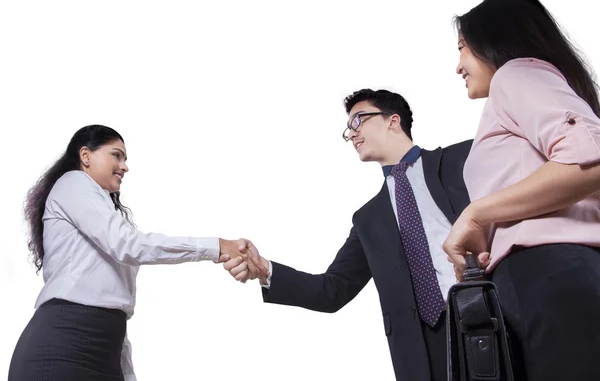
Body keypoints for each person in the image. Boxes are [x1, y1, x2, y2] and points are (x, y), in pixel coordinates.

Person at [222, 89, 472, 381]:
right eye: (348, 129)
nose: (351, 134)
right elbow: (333, 290)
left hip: (487, 314)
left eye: (358, 121)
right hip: (421, 351)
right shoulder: (369, 219)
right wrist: (266, 270)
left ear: (393, 121)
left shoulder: (462, 159)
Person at [7, 124, 268, 381]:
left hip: (103, 353)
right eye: (116, 155)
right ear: (85, 156)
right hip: (62, 348)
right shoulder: (73, 183)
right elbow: (129, 245)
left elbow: (117, 304)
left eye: (125, 158)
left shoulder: (104, 216)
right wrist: (219, 245)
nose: (124, 166)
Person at [444, 0, 600, 381]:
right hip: (554, 276)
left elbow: (591, 159)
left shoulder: (515, 74)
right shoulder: (527, 92)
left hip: (548, 273)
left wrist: (479, 212)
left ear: (493, 40)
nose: (457, 65)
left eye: (462, 47)